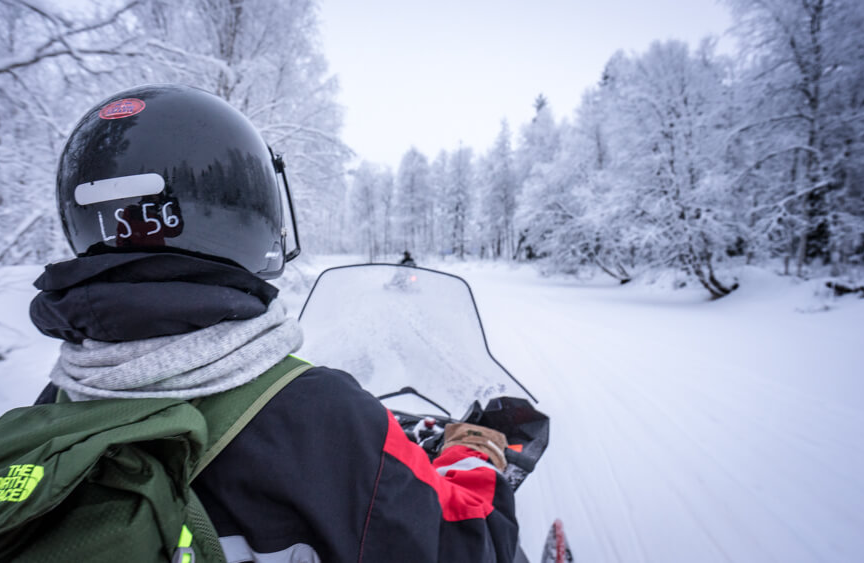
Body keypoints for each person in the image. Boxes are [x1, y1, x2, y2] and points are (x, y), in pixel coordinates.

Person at [30, 84, 519, 562]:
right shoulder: (324, 417)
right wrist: (474, 453)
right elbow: (466, 544)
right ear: (255, 211)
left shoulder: (51, 412)